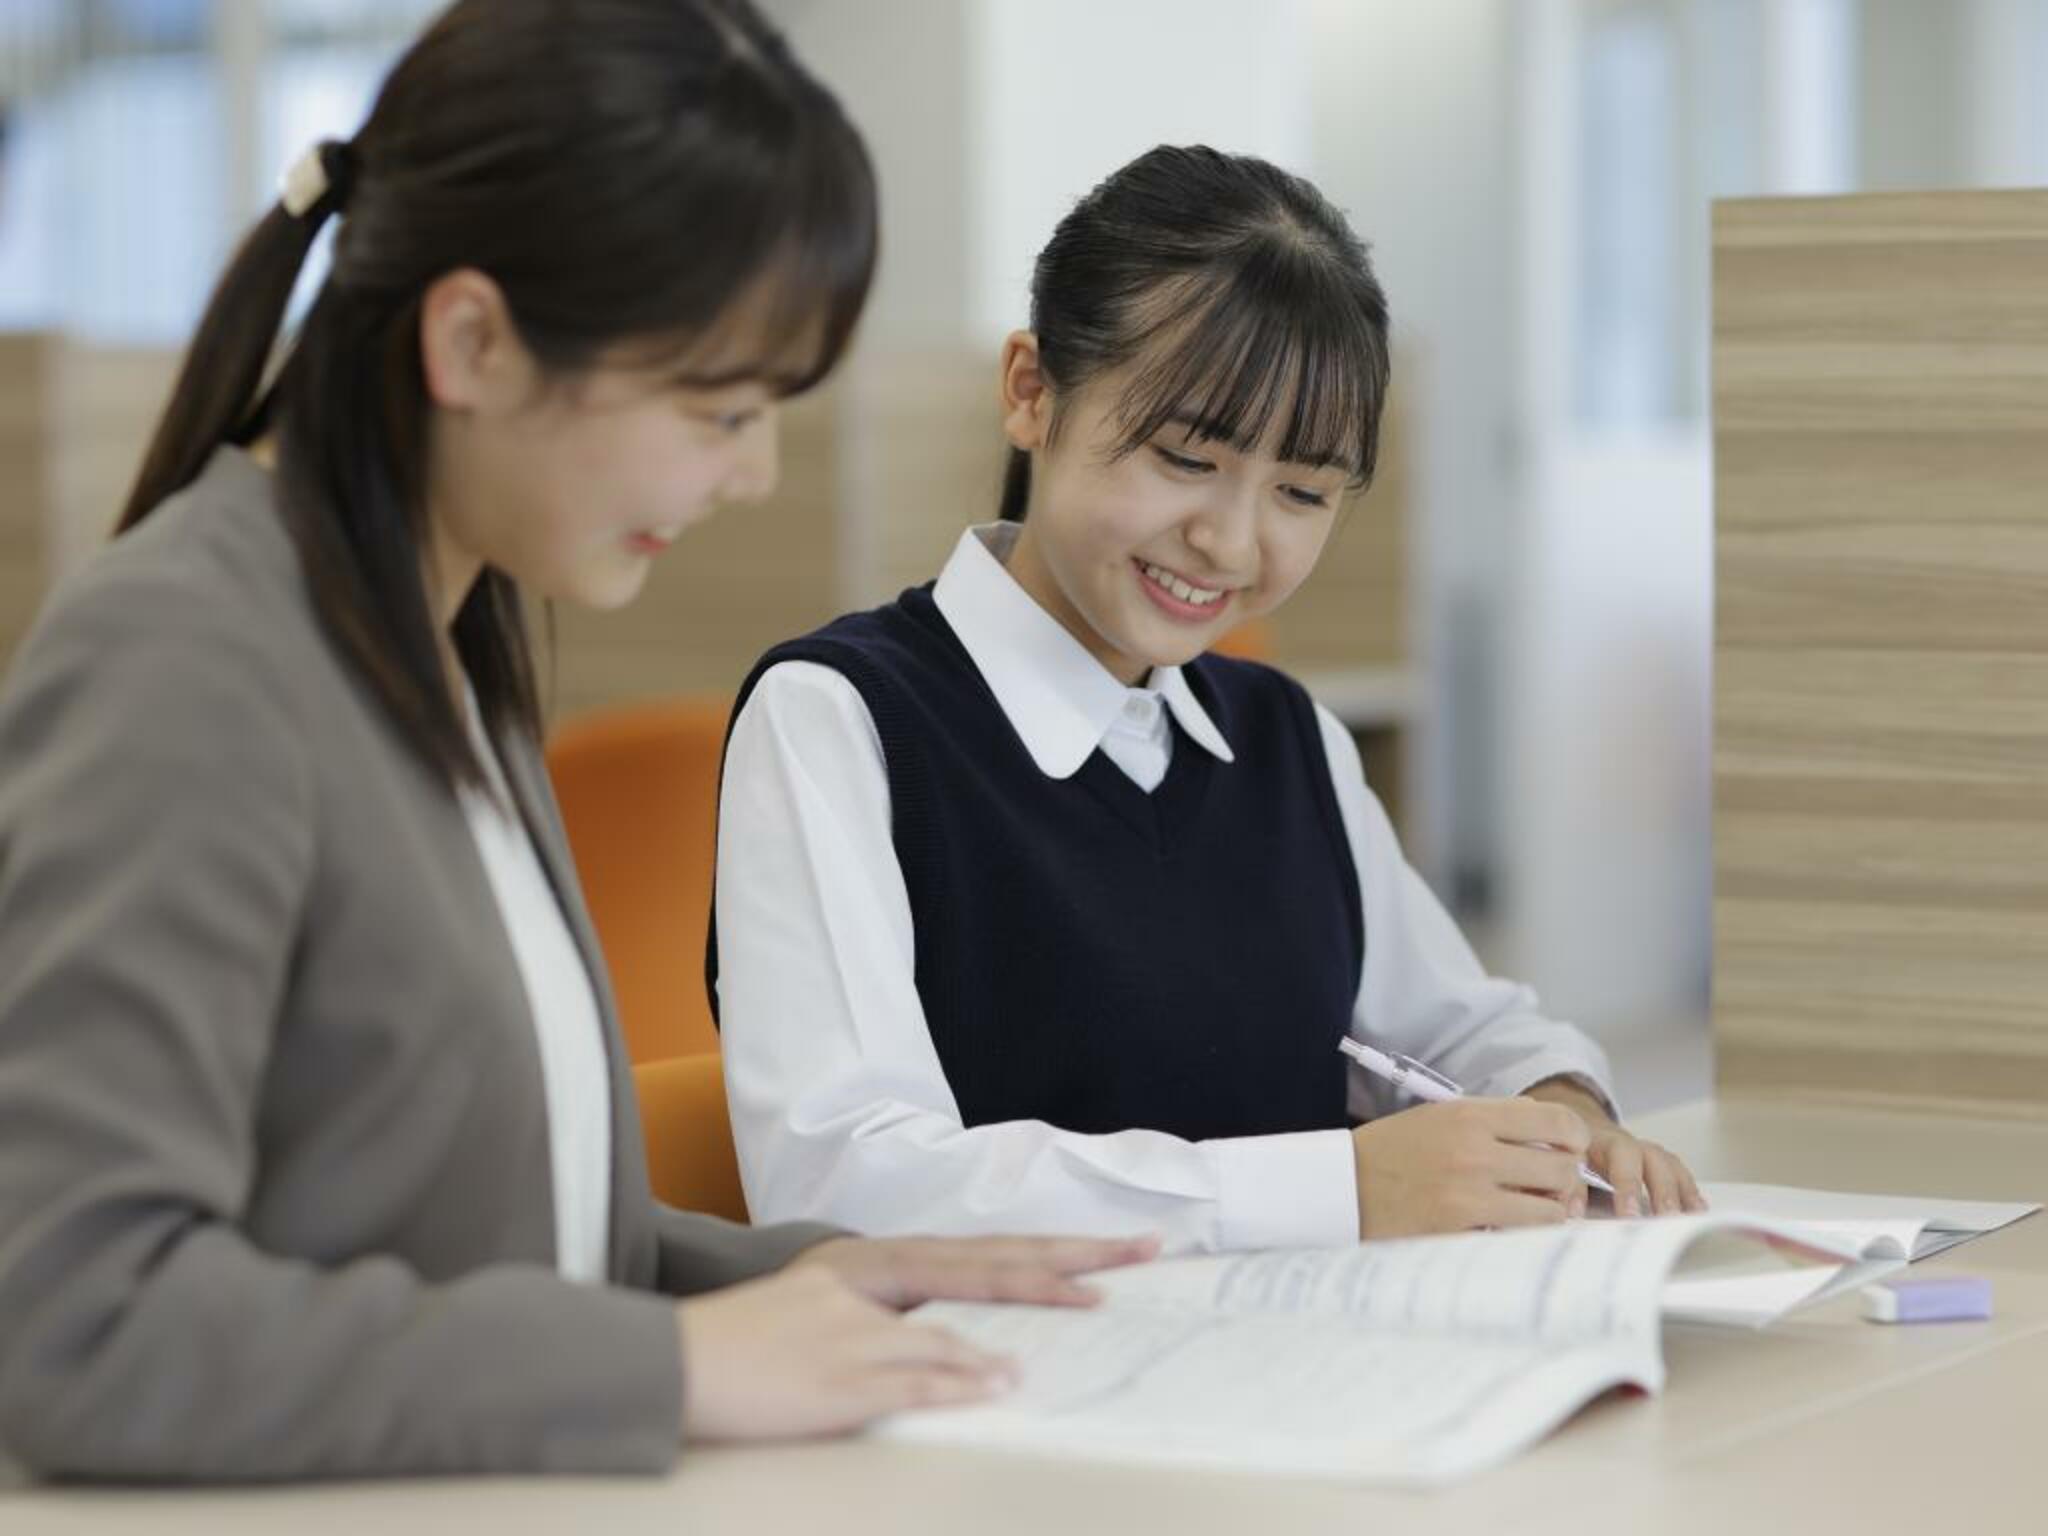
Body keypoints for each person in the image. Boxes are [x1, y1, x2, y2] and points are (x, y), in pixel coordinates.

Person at [0, 0, 1151, 1483]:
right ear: (473, 339)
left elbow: (494, 1225)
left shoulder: (440, 638)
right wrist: (668, 1363)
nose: (756, 474)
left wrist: (808, 1279)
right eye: (717, 408)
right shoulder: (184, 657)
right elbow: (82, 1323)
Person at [712, 144, 1706, 1255]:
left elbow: (1468, 1031)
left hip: (1312, 1382)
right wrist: (1336, 1189)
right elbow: (843, 1182)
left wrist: (1562, 1112)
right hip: (1009, 1394)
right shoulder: (839, 721)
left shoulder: (1287, 738)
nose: (1232, 541)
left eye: (1299, 491)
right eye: (1186, 459)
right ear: (1031, 393)